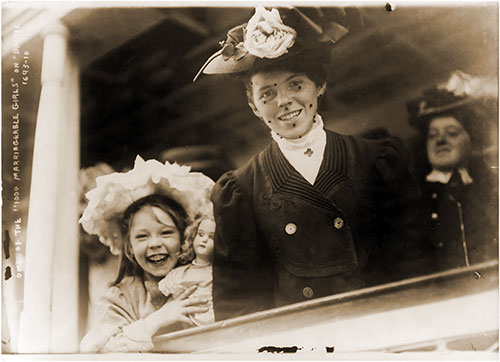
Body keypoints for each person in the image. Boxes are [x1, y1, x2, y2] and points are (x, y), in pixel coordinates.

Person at [195, 6, 423, 320]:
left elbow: (414, 264)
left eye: (296, 85)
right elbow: (240, 303)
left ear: (320, 85)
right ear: (253, 106)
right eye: (267, 94)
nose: (284, 101)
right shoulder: (241, 189)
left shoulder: (377, 160)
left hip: (380, 326)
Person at [79, 156, 215, 352]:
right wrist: (158, 319)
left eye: (166, 233)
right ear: (130, 248)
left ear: (185, 238)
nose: (154, 244)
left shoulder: (204, 277)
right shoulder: (123, 297)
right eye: (142, 237)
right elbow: (94, 349)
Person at [407, 71, 498, 271]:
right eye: (433, 135)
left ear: (471, 142)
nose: (440, 140)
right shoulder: (412, 197)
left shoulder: (491, 186)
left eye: (452, 133)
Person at [159, 217, 216, 326]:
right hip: (184, 323)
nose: (204, 240)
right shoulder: (179, 273)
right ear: (193, 236)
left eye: (211, 237)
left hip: (212, 321)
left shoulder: (217, 273)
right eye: (200, 234)